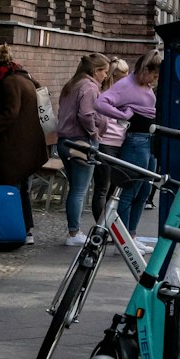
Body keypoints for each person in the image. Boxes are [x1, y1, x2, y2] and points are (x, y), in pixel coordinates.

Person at [0, 45, 49, 242]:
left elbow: (10, 113)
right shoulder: (24, 76)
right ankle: (26, 229)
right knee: (23, 189)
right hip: (29, 145)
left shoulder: (9, 82)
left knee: (11, 189)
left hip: (14, 147)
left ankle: (12, 229)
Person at [96, 49, 161, 233]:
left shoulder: (143, 86)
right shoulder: (126, 85)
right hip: (136, 141)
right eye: (154, 75)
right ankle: (123, 237)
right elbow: (101, 103)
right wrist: (123, 115)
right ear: (145, 70)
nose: (154, 80)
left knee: (144, 191)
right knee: (129, 190)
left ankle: (131, 235)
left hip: (148, 140)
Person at [55, 53, 110, 245]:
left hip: (64, 141)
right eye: (104, 72)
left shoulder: (72, 84)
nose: (105, 76)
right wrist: (95, 133)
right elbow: (86, 114)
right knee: (79, 190)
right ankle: (74, 233)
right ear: (95, 71)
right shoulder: (89, 87)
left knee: (74, 188)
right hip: (81, 141)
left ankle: (73, 230)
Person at [90, 58, 132, 220]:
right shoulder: (102, 95)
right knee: (102, 188)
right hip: (105, 144)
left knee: (115, 189)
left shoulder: (125, 95)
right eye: (123, 77)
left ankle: (109, 225)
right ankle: (101, 227)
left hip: (121, 144)